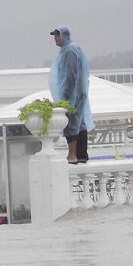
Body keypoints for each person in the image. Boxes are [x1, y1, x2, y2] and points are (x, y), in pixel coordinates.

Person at [48, 25, 94, 164]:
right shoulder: (70, 49)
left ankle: (73, 155)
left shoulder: (69, 51)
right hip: (77, 92)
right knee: (80, 123)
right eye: (54, 36)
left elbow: (70, 75)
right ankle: (81, 154)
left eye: (57, 35)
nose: (55, 38)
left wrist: (66, 95)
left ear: (65, 36)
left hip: (73, 94)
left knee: (72, 123)